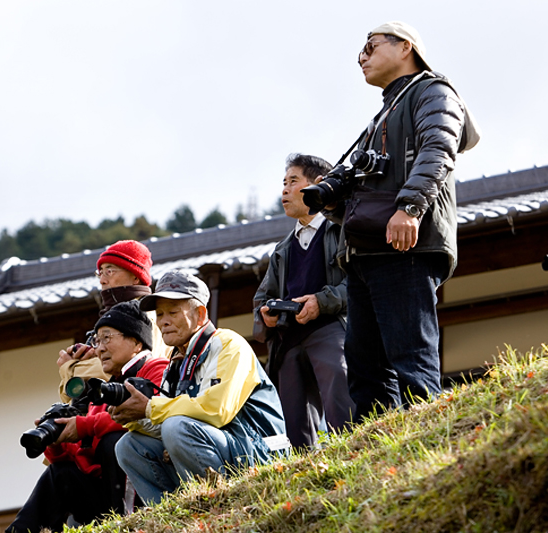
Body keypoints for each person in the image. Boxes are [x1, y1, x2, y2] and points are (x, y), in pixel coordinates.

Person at [324, 22, 479, 421]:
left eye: (371, 46)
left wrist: (409, 208)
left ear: (405, 46)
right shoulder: (384, 113)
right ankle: (378, 453)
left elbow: (439, 148)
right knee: (364, 368)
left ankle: (430, 436)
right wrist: (333, 203)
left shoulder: (433, 90)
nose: (362, 57)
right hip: (368, 248)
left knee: (411, 357)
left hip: (406, 241)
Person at [111, 271, 288, 505]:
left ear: (200, 314)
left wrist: (150, 408)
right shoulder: (176, 363)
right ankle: (175, 517)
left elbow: (216, 410)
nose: (163, 321)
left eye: (173, 312)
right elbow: (168, 420)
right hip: (224, 449)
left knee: (176, 428)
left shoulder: (228, 344)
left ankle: (221, 505)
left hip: (262, 451)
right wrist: (133, 415)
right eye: (160, 314)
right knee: (128, 445)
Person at [6, 301, 168, 533]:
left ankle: (128, 526)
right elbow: (85, 451)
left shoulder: (156, 368)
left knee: (114, 442)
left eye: (107, 338)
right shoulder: (104, 388)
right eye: (97, 341)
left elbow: (134, 418)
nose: (99, 349)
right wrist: (58, 442)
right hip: (107, 491)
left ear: (136, 340)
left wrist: (83, 426)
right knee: (60, 474)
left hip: (150, 486)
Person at [253, 153, 354, 449]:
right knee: (292, 423)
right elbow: (263, 296)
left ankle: (353, 451)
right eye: (283, 183)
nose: (284, 190)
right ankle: (303, 476)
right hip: (288, 339)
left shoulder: (341, 228)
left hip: (331, 327)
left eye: (293, 181)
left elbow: (358, 283)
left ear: (318, 185)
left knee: (340, 388)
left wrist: (321, 302)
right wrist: (266, 314)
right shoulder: (283, 248)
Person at [55, 240, 169, 403]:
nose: (102, 280)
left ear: (136, 277)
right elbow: (69, 396)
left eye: (109, 271)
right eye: (99, 273)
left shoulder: (147, 313)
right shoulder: (110, 318)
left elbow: (136, 367)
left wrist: (70, 368)